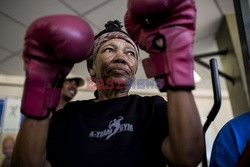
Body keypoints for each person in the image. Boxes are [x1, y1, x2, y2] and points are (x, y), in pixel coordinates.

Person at [11, 0, 204, 166]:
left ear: (136, 67)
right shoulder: (70, 115)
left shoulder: (152, 108)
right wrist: (40, 87)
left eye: (130, 53)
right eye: (109, 50)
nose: (121, 57)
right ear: (92, 68)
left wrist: (173, 58)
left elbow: (187, 157)